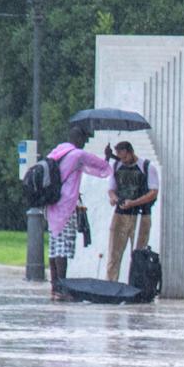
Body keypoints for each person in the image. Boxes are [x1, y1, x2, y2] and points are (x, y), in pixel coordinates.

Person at [43, 122, 112, 302]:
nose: (85, 142)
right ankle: (62, 289)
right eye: (84, 139)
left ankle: (54, 288)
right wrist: (107, 158)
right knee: (63, 249)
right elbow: (99, 166)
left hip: (51, 205)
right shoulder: (78, 155)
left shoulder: (57, 151)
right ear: (79, 139)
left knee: (54, 247)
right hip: (66, 206)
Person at [104, 141, 159, 282]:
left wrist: (134, 202)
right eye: (119, 157)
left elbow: (153, 192)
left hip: (141, 215)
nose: (123, 160)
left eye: (124, 157)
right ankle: (111, 283)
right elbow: (111, 189)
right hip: (120, 214)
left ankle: (137, 285)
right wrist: (114, 198)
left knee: (139, 254)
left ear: (131, 152)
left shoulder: (147, 167)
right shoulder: (116, 166)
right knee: (114, 254)